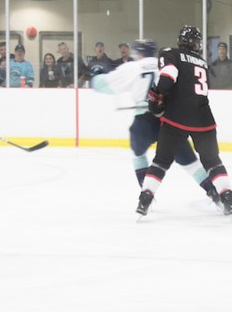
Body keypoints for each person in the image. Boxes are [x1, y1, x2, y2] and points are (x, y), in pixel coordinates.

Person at [91, 39, 221, 208]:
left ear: (137, 53)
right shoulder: (166, 63)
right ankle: (214, 193)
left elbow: (102, 85)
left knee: (138, 155)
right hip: (168, 119)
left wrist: (96, 74)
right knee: (190, 163)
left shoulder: (132, 67)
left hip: (143, 120)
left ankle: (146, 199)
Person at [137, 25, 232, 217]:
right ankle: (228, 199)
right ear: (195, 43)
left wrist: (157, 96)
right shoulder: (202, 62)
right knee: (213, 162)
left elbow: (169, 76)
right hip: (204, 119)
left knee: (161, 161)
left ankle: (145, 200)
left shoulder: (170, 53)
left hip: (177, 118)